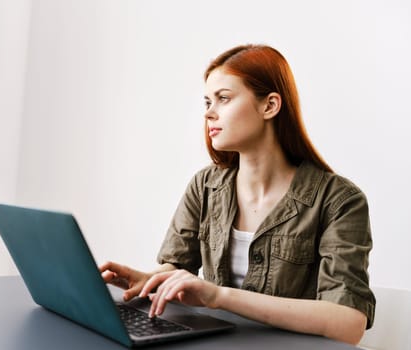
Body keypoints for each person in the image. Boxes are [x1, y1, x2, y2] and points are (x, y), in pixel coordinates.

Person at [99, 44, 375, 345]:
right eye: (207, 101)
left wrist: (219, 296)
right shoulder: (205, 185)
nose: (209, 113)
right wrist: (150, 280)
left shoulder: (339, 201)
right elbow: (179, 268)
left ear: (269, 105)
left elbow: (348, 322)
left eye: (223, 99)